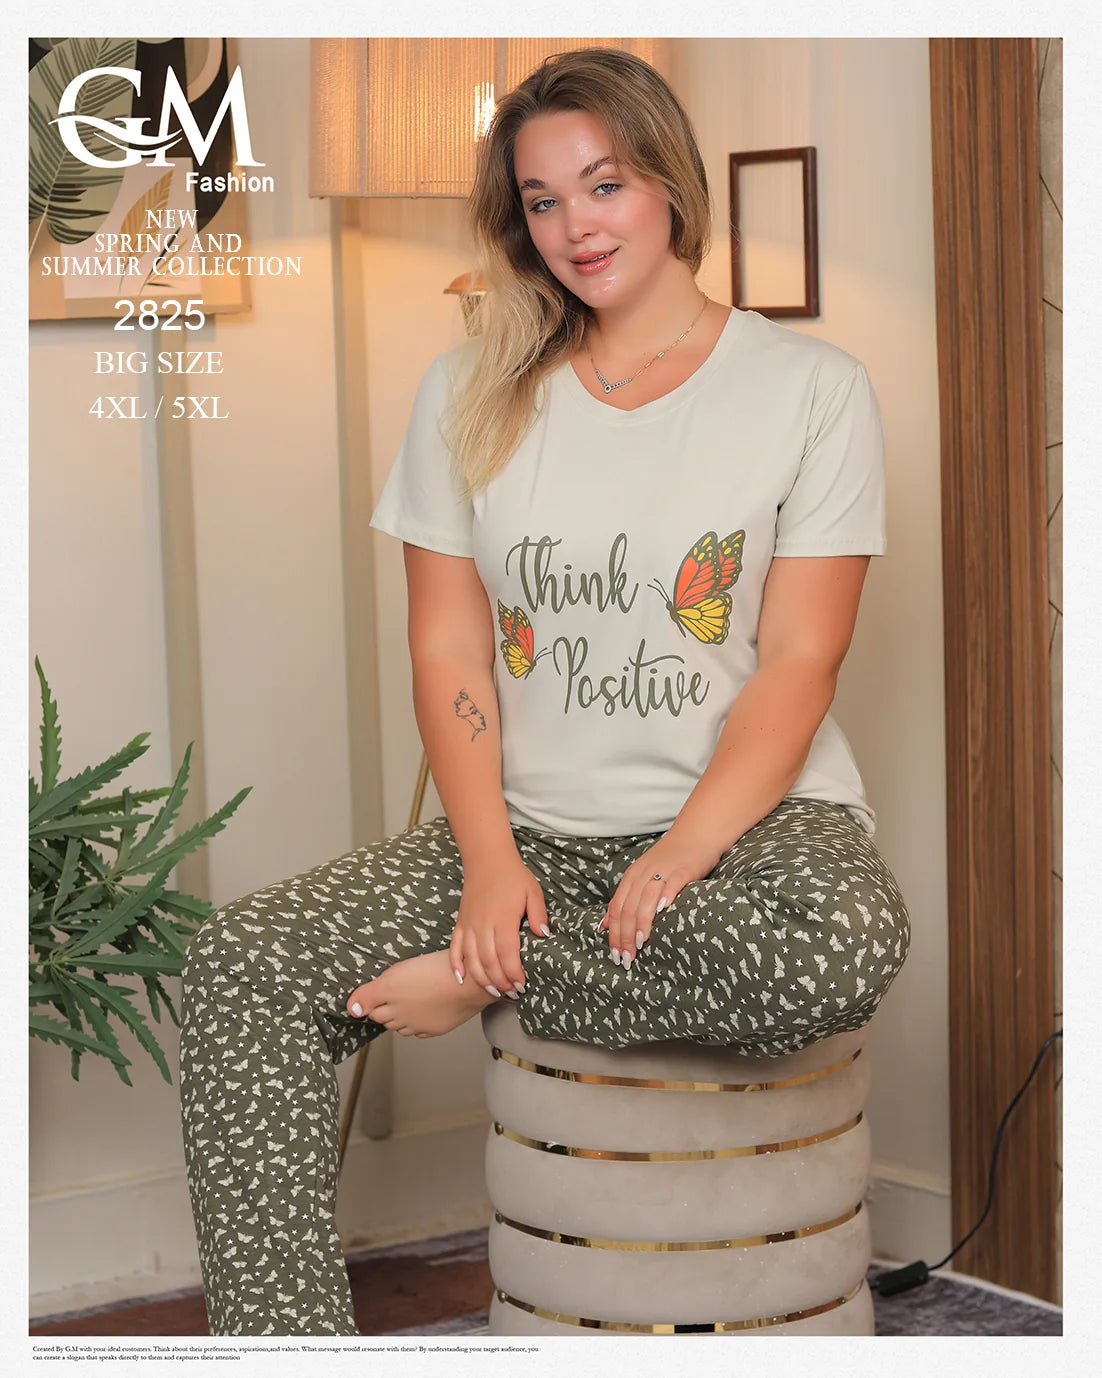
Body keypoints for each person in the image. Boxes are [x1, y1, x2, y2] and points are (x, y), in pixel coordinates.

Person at [179, 46, 910, 1337]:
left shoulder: (811, 390)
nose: (576, 226)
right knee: (240, 965)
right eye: (541, 199)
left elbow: (800, 659)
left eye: (604, 185)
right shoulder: (467, 388)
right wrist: (484, 865)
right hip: (525, 829)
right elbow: (448, 653)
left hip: (746, 826)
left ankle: (485, 978)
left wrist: (660, 865)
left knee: (842, 948)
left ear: (668, 186)